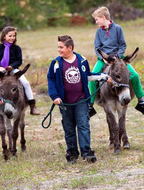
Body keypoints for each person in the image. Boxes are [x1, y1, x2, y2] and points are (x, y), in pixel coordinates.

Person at [47, 35, 110, 164]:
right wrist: (55, 96)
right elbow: (51, 80)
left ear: (70, 48)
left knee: (83, 125)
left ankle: (86, 151)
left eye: (61, 47)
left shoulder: (81, 60)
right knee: (69, 128)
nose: (59, 50)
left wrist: (103, 76)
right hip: (65, 102)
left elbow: (88, 76)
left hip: (81, 100)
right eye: (58, 47)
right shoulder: (56, 63)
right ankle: (72, 152)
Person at [88, 6, 144, 118]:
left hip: (119, 58)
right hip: (104, 59)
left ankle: (141, 103)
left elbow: (122, 45)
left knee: (135, 76)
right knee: (92, 78)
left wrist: (117, 57)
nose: (96, 21)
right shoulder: (98, 32)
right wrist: (102, 58)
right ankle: (90, 105)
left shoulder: (118, 28)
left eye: (97, 19)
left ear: (103, 17)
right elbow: (97, 47)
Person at [0, 26, 40, 115]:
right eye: (10, 36)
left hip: (14, 70)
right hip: (1, 71)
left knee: (25, 83)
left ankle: (32, 106)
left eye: (14, 36)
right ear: (4, 36)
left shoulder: (17, 48)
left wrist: (12, 66)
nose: (12, 38)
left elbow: (19, 60)